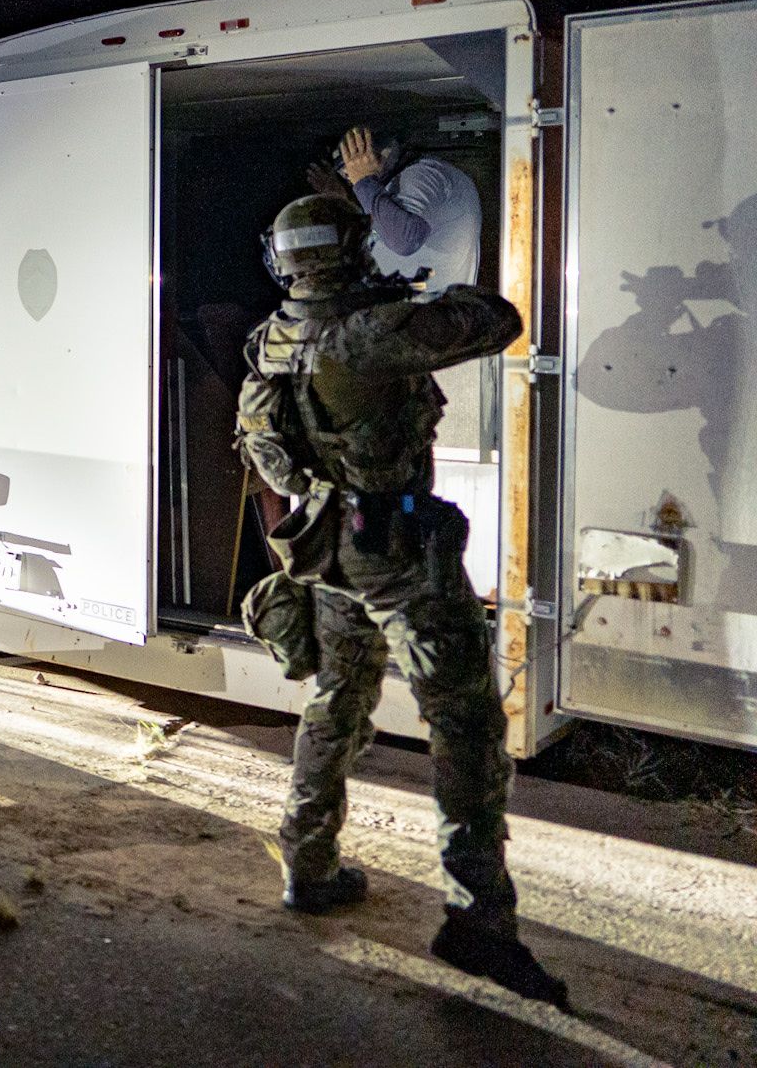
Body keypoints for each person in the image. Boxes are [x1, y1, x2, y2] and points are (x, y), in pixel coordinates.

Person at [234, 193, 568, 1009]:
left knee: (337, 698)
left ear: (283, 260)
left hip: (328, 551)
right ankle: (478, 921)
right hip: (398, 556)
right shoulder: (371, 334)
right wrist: (402, 289)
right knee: (465, 723)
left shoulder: (270, 337)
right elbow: (499, 317)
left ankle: (308, 865)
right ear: (349, 250)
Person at [311, 126, 481, 288]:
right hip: (406, 304)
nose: (351, 175)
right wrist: (346, 199)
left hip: (431, 309)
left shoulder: (422, 174)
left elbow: (405, 239)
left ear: (386, 151)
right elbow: (382, 225)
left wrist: (363, 182)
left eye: (357, 160)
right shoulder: (393, 186)